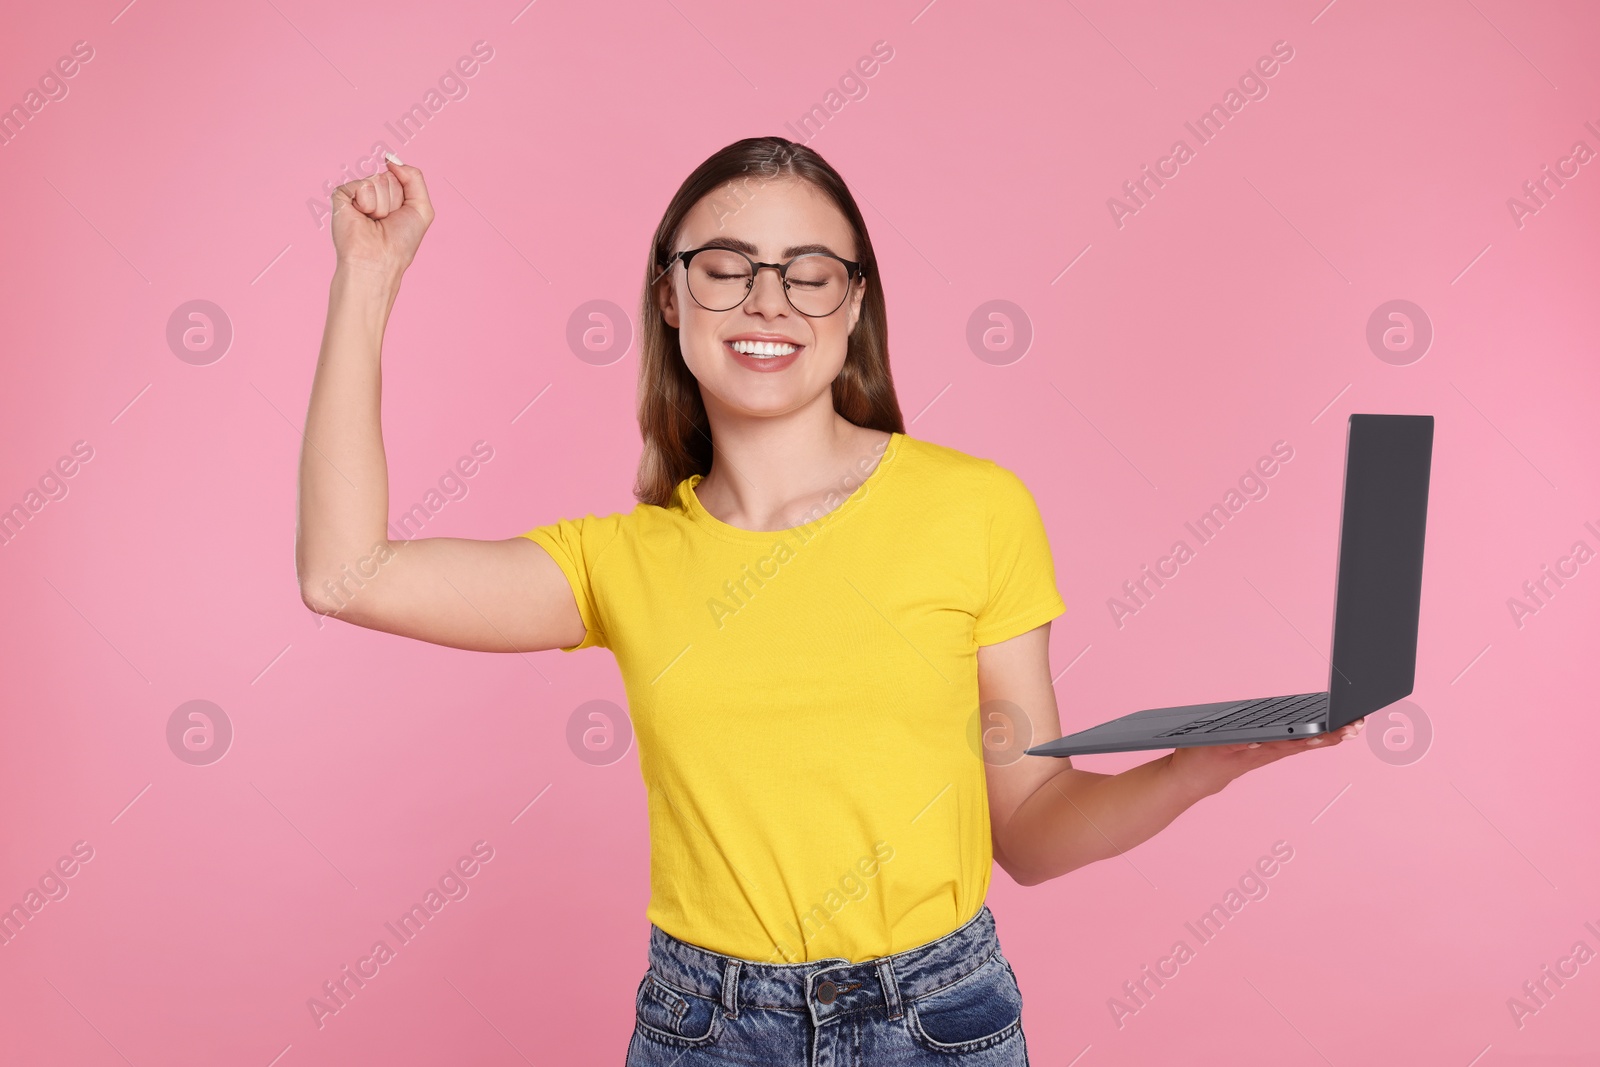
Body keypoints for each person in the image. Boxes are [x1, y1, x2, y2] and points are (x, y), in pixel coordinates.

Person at [296, 135, 1365, 1064]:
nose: (768, 300)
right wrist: (369, 273)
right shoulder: (619, 562)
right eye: (725, 269)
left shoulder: (973, 510)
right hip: (703, 1030)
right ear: (669, 299)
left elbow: (1030, 832)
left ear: (854, 306)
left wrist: (1200, 761)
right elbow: (344, 573)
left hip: (940, 1023)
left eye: (810, 273)